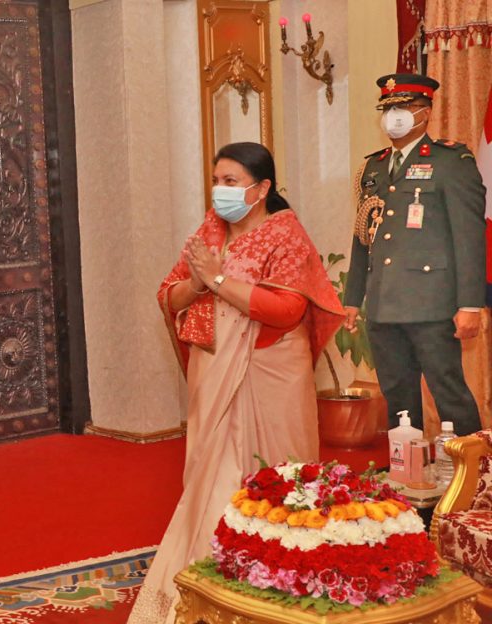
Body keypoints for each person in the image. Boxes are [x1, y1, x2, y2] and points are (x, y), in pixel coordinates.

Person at [127, 142, 343, 623]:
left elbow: (289, 310)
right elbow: (170, 294)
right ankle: (211, 592)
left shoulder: (285, 235)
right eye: (217, 180)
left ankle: (282, 589)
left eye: (231, 182)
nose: (220, 190)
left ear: (262, 188)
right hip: (216, 367)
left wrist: (219, 280)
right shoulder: (211, 228)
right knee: (214, 480)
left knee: (278, 479)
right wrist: (199, 284)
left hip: (271, 371)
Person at [344, 73, 486, 435]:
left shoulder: (451, 161)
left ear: (426, 112)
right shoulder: (373, 167)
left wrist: (470, 304)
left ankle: (476, 478)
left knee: (448, 394)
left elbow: (469, 237)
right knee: (398, 399)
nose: (396, 115)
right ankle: (408, 475)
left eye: (406, 106)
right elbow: (365, 234)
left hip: (432, 304)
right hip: (383, 304)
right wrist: (352, 298)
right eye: (389, 107)